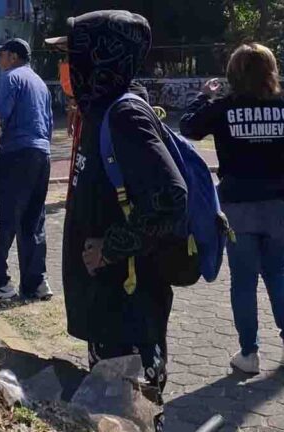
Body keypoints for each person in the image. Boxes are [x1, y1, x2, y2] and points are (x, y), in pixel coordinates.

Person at [60, 11, 188, 431]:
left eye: (71, 56)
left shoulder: (124, 116)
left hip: (130, 304)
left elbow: (170, 198)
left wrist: (109, 247)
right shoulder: (96, 111)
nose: (65, 67)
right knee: (112, 413)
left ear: (99, 59)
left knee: (133, 412)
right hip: (108, 302)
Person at [180, 43, 284, 374]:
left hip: (238, 203)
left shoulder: (224, 108)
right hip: (280, 203)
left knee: (243, 281)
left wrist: (203, 96)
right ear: (271, 71)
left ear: (233, 73)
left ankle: (249, 354)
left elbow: (188, 127)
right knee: (277, 270)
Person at [0, 38, 54, 301]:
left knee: (4, 219)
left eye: (1, 55)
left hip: (16, 154)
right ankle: (36, 283)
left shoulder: (10, 78)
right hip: (42, 155)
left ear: (13, 57)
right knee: (33, 220)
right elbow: (48, 123)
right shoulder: (39, 83)